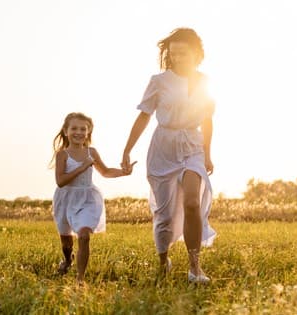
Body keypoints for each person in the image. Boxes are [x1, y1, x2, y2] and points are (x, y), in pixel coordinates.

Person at [121, 28, 217, 284]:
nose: (176, 58)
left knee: (192, 203)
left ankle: (195, 267)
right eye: (172, 54)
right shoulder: (159, 81)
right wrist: (127, 149)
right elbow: (144, 115)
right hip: (163, 147)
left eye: (182, 53)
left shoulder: (206, 82)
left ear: (196, 53)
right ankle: (164, 259)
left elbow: (207, 120)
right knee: (164, 214)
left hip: (192, 146)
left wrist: (207, 154)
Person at [51, 112, 134, 284]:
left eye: (83, 129)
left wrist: (123, 173)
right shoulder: (62, 155)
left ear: (88, 132)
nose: (79, 132)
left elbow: (105, 172)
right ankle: (67, 260)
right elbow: (61, 181)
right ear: (66, 131)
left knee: (83, 236)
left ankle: (80, 280)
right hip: (66, 199)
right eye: (74, 128)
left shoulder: (92, 152)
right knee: (67, 242)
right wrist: (82, 167)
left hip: (88, 198)